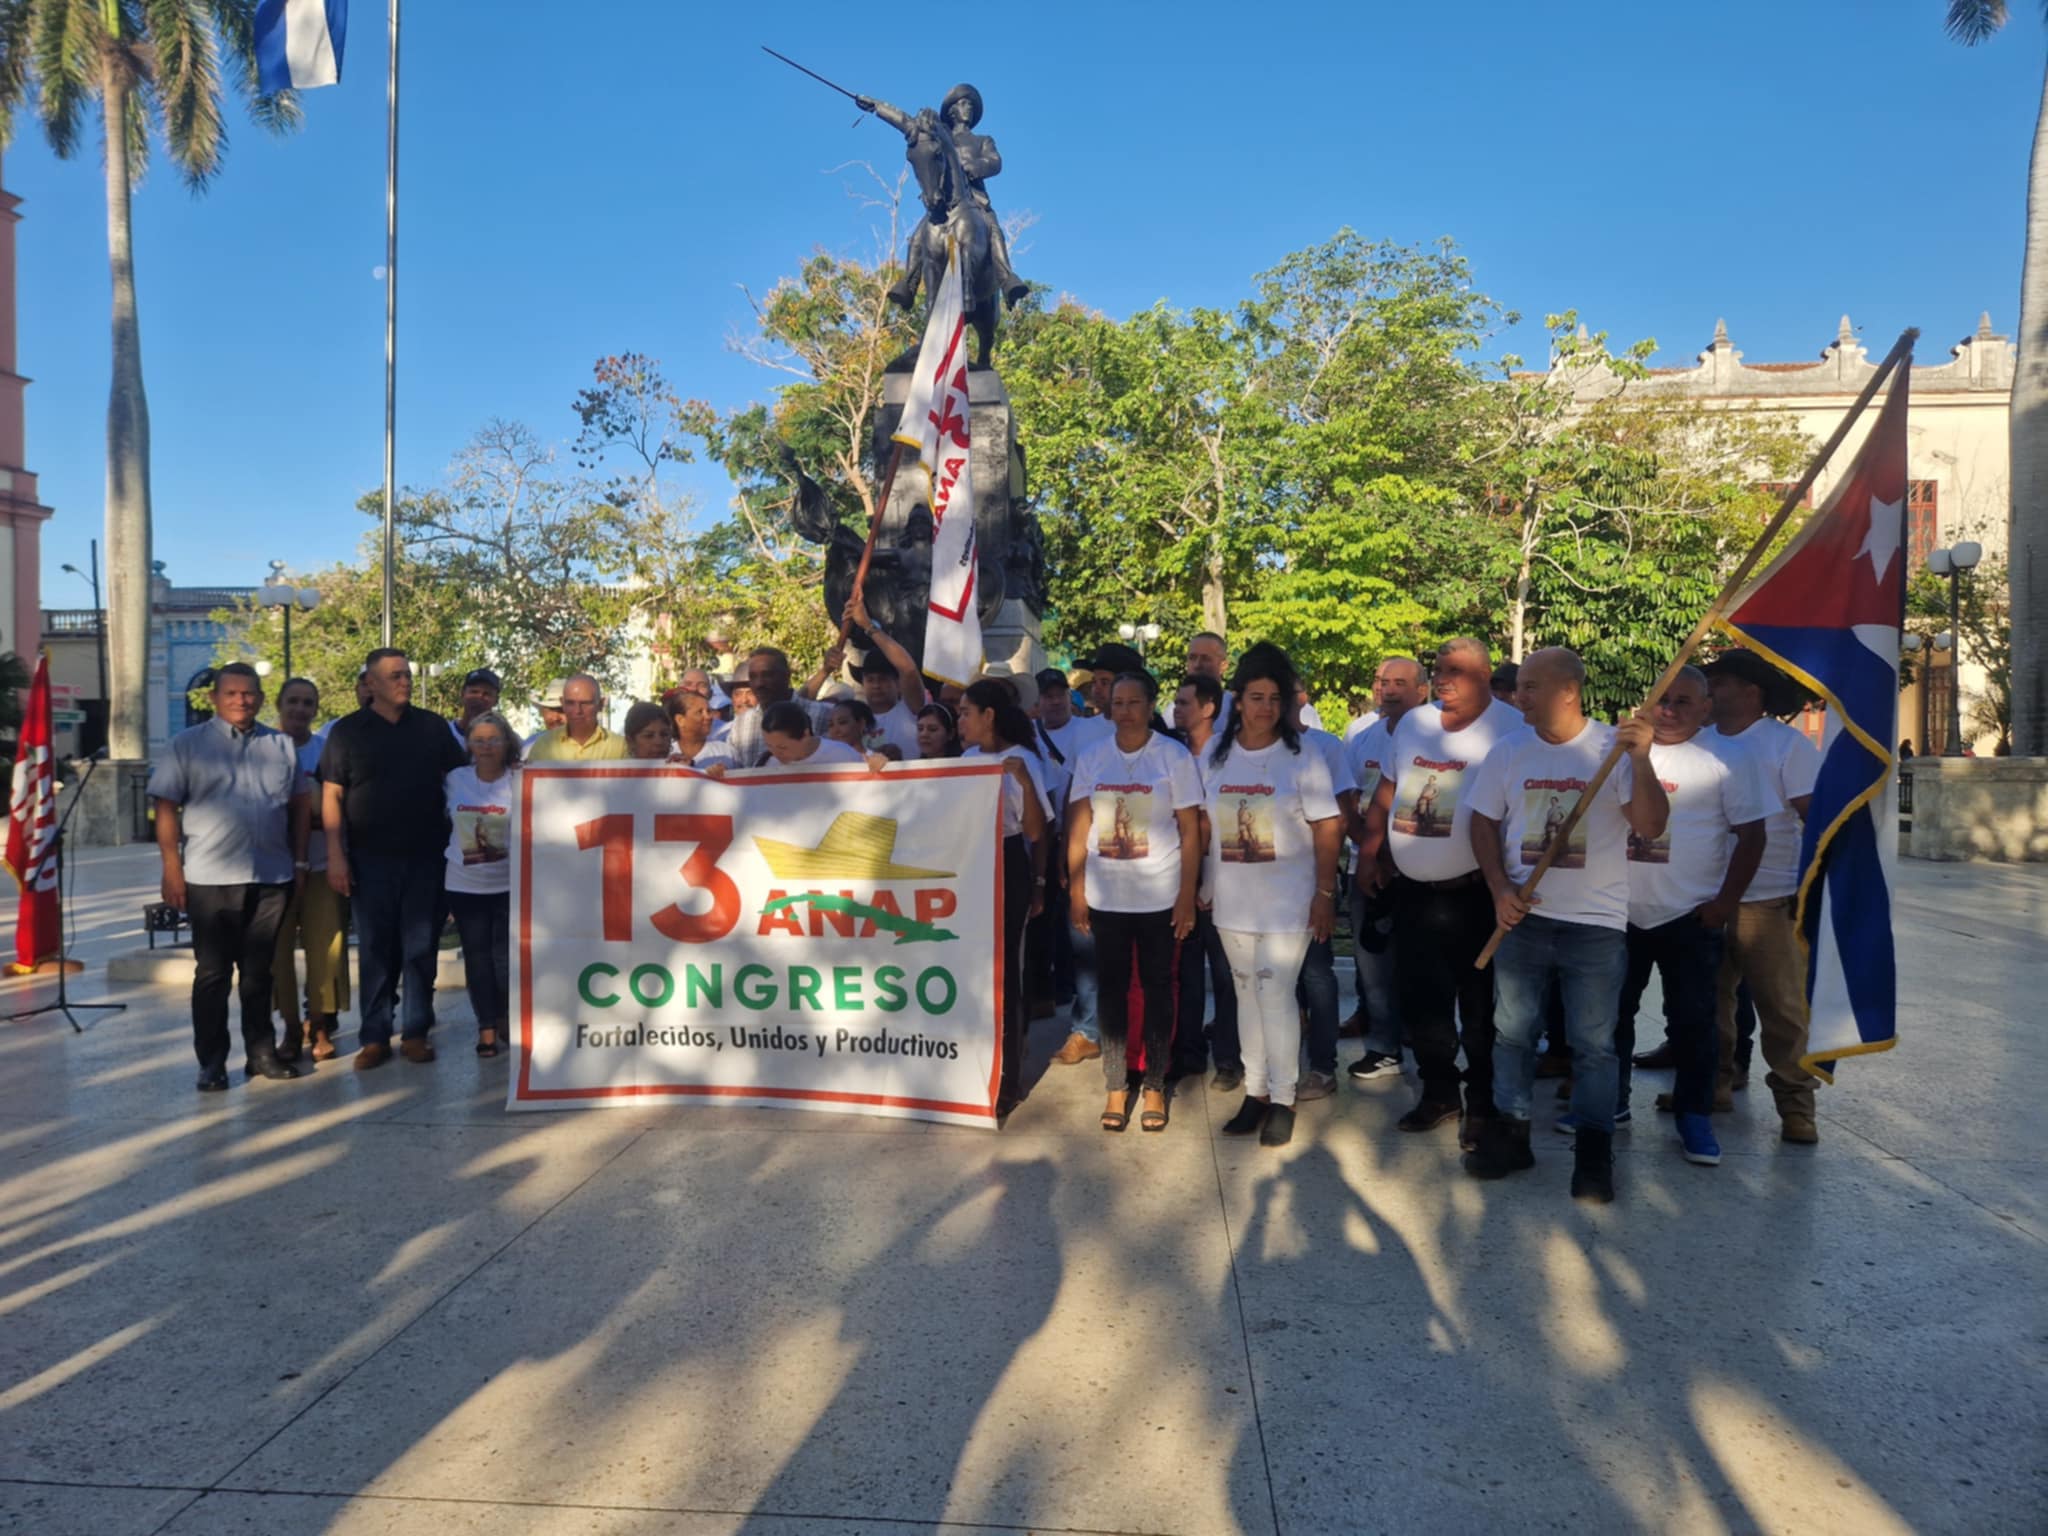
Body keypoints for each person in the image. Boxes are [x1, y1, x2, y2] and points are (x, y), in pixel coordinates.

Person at [1463, 647, 1668, 1204]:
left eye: (1530, 686)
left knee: (1595, 1046)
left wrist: (1643, 760)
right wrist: (1500, 888)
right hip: (1523, 920)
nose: (1518, 695)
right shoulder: (1509, 752)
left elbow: (1650, 824)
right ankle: (1512, 1136)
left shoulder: (1614, 750)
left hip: (1594, 924)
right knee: (1512, 1035)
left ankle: (1595, 1156)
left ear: (1568, 692)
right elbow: (1482, 822)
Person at [1357, 637, 1524, 1148]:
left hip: (1475, 895)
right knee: (1423, 1002)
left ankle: (1482, 1103)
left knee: (1478, 1008)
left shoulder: (1511, 728)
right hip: (1412, 892)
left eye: (1456, 670)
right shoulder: (1415, 724)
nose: (1444, 678)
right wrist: (1371, 852)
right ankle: (1439, 1092)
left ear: (1483, 674)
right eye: (1439, 669)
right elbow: (1389, 789)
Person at [1611, 666, 1773, 1167]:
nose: (1670, 710)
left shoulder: (1731, 758)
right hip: (1621, 912)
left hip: (1690, 915)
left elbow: (1753, 837)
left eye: (1684, 701)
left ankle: (1694, 1115)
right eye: (1663, 700)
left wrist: (1723, 904)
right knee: (1611, 1017)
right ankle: (1609, 1102)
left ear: (1706, 707)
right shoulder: (1623, 754)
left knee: (1694, 1023)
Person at [1204, 643, 1341, 1149]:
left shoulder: (1303, 757)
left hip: (1289, 903)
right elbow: (1202, 824)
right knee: (1243, 996)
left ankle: (1283, 1097)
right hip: (1233, 902)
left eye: (1274, 698)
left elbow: (1329, 826)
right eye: (1255, 697)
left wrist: (1325, 894)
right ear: (1237, 701)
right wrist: (1202, 885)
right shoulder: (1215, 756)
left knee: (1276, 994)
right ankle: (1256, 1091)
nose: (1265, 707)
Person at [150, 663, 308, 1090]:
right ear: (215, 698)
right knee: (213, 974)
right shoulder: (187, 745)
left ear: (260, 697)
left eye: (249, 693)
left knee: (260, 973)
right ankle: (212, 1062)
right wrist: (171, 868)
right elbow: (165, 807)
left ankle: (261, 1054)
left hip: (271, 876)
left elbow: (299, 806)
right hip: (209, 878)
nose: (242, 700)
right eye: (232, 693)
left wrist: (299, 863)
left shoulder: (281, 745)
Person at [320, 647, 470, 1069]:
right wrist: (336, 856)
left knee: (420, 948)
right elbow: (332, 794)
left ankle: (417, 1031)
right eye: (394, 676)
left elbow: (460, 781)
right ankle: (374, 1036)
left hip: (426, 856)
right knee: (375, 949)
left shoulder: (432, 727)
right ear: (370, 684)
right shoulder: (346, 732)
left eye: (406, 674)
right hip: (369, 859)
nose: (403, 681)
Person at [1066, 672, 1202, 1134]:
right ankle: (1116, 1085)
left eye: (1133, 702)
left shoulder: (1173, 756)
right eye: (1117, 702)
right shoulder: (1092, 756)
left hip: (1159, 897)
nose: (1123, 710)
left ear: (1149, 706)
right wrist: (1076, 889)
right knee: (1111, 992)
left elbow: (1190, 831)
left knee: (1160, 990)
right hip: (1106, 897)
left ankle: (1156, 1085)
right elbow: (1080, 828)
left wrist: (1186, 896)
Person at [1702, 649, 1824, 1143]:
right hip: (1704, 895)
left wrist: (1810, 889)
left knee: (1781, 1009)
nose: (1710, 691)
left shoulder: (1785, 745)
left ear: (1752, 692)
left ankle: (1796, 1104)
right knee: (1708, 1004)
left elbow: (1814, 817)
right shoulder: (1699, 742)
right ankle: (1714, 1084)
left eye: (1721, 682)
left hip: (1768, 897)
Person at [958, 678, 1051, 1115]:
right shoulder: (965, 760)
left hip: (1009, 860)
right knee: (972, 969)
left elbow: (1035, 831)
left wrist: (1025, 782)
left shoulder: (1025, 759)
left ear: (988, 716)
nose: (960, 721)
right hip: (970, 864)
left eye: (965, 712)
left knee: (1006, 973)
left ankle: (1006, 1080)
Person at [1343, 656, 1430, 1082]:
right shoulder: (1362, 737)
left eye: (1399, 682)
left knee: (1420, 964)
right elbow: (1351, 800)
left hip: (1420, 872)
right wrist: (1370, 853)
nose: (1388, 689)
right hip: (1368, 866)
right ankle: (1383, 1046)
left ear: (1422, 691)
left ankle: (1428, 1043)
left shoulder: (1437, 739)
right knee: (1372, 964)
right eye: (1382, 681)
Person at [272, 677, 349, 1063]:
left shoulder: (326, 750)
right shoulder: (266, 747)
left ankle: (318, 1022)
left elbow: (339, 804)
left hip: (322, 864)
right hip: (273, 869)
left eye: (307, 703)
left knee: (326, 949)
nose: (300, 709)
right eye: (293, 701)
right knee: (278, 952)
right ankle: (288, 1026)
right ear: (279, 705)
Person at [1168, 673, 1238, 1085]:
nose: (1177, 709)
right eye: (1175, 702)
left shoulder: (1226, 756)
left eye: (1184, 702)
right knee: (1186, 973)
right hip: (1178, 878)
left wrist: (1202, 884)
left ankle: (1228, 1057)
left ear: (1208, 708)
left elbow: (1212, 821)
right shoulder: (1172, 754)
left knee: (1226, 975)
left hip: (1219, 877)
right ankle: (1188, 1052)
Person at [1292, 687, 1356, 1103]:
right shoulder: (1243, 749)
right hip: (1265, 889)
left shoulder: (1324, 748)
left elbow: (1342, 812)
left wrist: (1325, 888)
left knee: (1316, 973)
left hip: (1311, 880)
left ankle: (1321, 1066)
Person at [445, 711, 518, 1057]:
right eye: (479, 740)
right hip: (464, 884)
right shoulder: (454, 779)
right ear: (469, 744)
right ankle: (485, 1026)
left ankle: (505, 1016)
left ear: (506, 743)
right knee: (476, 959)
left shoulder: (520, 780)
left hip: (508, 883)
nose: (486, 747)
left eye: (493, 740)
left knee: (504, 958)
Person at [842, 590, 927, 756]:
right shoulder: (851, 720)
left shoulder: (911, 710)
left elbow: (908, 670)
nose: (876, 685)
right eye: (870, 679)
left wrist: (868, 625)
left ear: (898, 684)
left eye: (883, 679)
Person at [729, 646, 834, 767]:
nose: (759, 683)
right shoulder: (740, 725)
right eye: (753, 677)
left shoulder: (823, 715)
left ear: (786, 676)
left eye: (767, 675)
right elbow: (734, 772)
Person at [708, 700, 868, 773]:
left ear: (805, 734)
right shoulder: (767, 764)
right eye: (769, 746)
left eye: (782, 747)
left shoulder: (842, 755)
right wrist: (722, 779)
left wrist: (877, 766)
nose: (776, 754)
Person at [527, 673, 629, 761]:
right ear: (563, 703)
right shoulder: (542, 746)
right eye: (570, 703)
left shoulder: (620, 748)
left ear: (600, 705)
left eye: (585, 703)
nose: (577, 711)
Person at [664, 688, 738, 769]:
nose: (708, 717)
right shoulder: (664, 754)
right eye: (699, 712)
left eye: (708, 711)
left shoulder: (726, 753)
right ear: (680, 720)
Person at [1187, 631, 1232, 733]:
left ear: (1223, 665)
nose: (1197, 665)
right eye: (1192, 658)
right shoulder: (1173, 711)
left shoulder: (1236, 710)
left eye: (1206, 659)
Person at [450, 668, 501, 743]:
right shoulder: (443, 733)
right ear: (462, 694)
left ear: (496, 701)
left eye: (487, 694)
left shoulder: (506, 741)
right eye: (474, 691)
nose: (479, 697)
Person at [530, 679, 568, 744]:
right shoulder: (530, 746)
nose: (555, 718)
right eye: (551, 710)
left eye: (561, 710)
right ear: (542, 713)